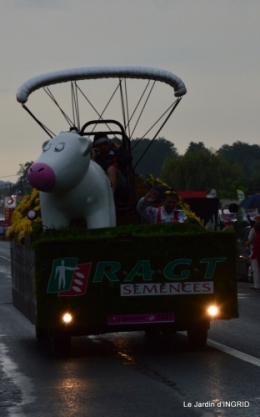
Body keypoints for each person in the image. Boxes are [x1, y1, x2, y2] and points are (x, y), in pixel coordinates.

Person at [250, 222, 260, 290]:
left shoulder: (257, 237)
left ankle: (257, 285)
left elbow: (256, 249)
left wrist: (252, 257)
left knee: (256, 270)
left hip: (258, 257)